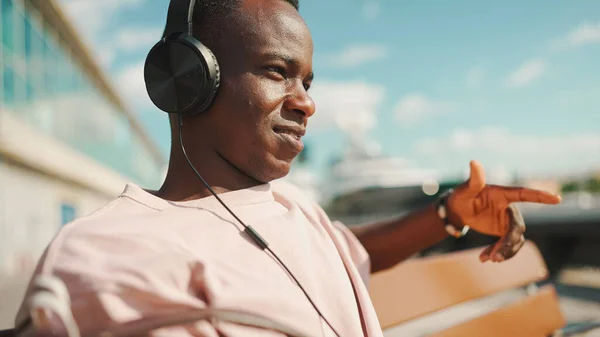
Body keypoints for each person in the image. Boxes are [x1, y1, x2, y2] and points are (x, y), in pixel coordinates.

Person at [14, 0, 561, 336]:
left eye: (308, 82)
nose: (306, 103)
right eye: (278, 72)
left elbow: (347, 257)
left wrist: (448, 213)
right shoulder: (107, 252)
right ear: (189, 79)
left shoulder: (291, 204)